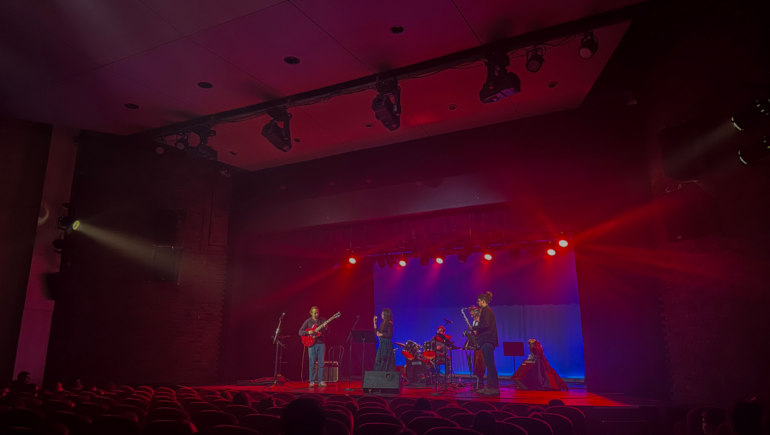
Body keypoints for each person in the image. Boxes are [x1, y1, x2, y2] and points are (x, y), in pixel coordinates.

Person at [473, 291, 499, 396]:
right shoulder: (486, 311)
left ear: (483, 301)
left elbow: (485, 325)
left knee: (490, 366)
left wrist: (473, 327)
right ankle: (488, 387)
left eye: (478, 301)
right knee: (489, 365)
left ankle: (495, 388)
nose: (477, 302)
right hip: (486, 341)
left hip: (487, 341)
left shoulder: (487, 311)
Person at [298, 306, 328, 387]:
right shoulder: (308, 321)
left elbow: (328, 332)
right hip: (311, 344)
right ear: (311, 313)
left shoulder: (322, 320)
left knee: (321, 363)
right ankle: (312, 381)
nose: (316, 314)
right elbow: (300, 331)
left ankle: (320, 381)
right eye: (314, 313)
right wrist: (308, 332)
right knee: (312, 364)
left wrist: (326, 328)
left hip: (321, 343)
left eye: (317, 312)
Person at [463, 306, 486, 390]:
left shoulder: (481, 321)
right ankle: (478, 380)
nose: (471, 316)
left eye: (472, 314)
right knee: (476, 362)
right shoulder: (474, 321)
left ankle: (481, 381)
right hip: (476, 344)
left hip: (481, 343)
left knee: (481, 363)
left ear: (476, 313)